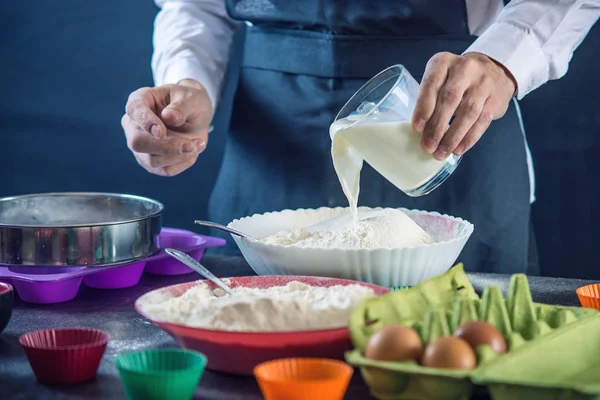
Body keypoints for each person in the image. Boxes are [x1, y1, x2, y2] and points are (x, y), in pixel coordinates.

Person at [122, 0, 600, 274]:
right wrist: (187, 85)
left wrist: (505, 57)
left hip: (447, 111)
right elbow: (195, 7)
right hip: (272, 135)